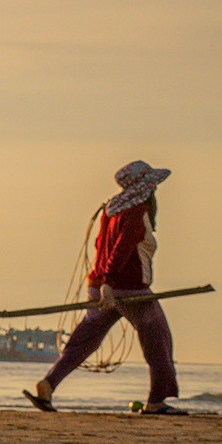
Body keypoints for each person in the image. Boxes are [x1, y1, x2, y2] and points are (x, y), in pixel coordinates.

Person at [25, 160, 181, 415]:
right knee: (158, 339)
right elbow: (121, 248)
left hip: (100, 287)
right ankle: (157, 400)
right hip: (130, 289)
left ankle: (48, 384)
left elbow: (100, 245)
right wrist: (110, 281)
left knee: (84, 342)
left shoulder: (112, 209)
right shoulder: (135, 212)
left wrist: (103, 284)